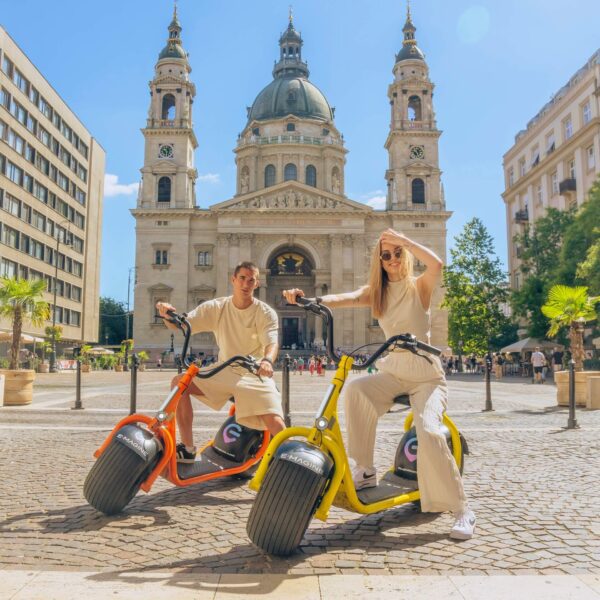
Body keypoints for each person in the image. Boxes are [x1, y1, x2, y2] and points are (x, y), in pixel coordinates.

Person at [283, 229, 476, 540]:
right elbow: (346, 299)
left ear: (406, 255)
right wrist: (310, 301)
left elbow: (437, 265)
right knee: (357, 390)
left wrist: (404, 240)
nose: (393, 260)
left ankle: (461, 508)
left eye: (397, 254)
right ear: (380, 261)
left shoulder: (418, 288)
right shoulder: (377, 292)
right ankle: (365, 468)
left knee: (427, 431)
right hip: (394, 371)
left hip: (427, 375)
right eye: (386, 256)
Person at [156, 262, 285, 463]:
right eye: (242, 278)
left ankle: (290, 460)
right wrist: (167, 314)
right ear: (233, 279)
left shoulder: (265, 312)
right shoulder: (217, 307)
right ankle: (188, 448)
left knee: (275, 421)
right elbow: (183, 324)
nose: (246, 284)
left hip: (254, 372)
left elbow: (271, 342)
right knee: (179, 384)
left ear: (257, 284)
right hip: (225, 369)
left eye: (251, 280)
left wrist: (267, 361)